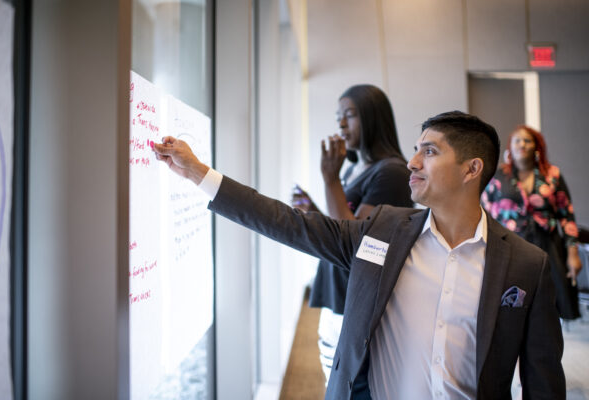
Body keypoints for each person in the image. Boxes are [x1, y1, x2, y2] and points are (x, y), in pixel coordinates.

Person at [153, 111, 565, 399]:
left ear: (472, 169)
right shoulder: (385, 230)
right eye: (416, 149)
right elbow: (289, 223)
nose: (413, 161)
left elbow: (543, 381)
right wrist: (198, 174)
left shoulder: (526, 265)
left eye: (431, 152)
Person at [291, 84, 411, 384]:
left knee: (349, 386)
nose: (342, 124)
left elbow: (355, 241)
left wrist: (330, 179)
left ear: (373, 118)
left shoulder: (392, 172)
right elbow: (340, 224)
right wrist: (314, 209)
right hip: (338, 296)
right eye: (338, 117)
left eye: (350, 115)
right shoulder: (355, 169)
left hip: (357, 302)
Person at [482, 125, 582, 320]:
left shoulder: (552, 175)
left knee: (550, 304)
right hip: (510, 246)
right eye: (517, 140)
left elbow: (567, 216)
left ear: (537, 146)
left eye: (528, 140)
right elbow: (484, 212)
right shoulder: (498, 176)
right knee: (512, 304)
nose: (522, 144)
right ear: (509, 147)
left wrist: (573, 254)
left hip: (548, 245)